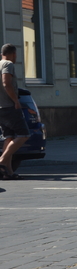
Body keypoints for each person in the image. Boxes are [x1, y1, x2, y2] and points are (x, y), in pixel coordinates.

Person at [0, 44, 30, 179]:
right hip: (9, 107)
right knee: (24, 134)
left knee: (9, 137)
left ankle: (8, 172)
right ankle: (1, 161)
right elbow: (6, 83)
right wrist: (16, 101)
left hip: (1, 108)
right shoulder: (7, 64)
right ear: (14, 54)